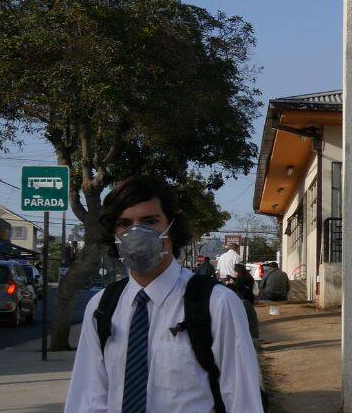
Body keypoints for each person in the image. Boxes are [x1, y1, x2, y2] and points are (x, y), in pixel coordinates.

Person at [64, 175, 263, 413]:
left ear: (172, 227)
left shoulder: (217, 303)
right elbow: (88, 397)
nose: (136, 232)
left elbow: (243, 401)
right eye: (124, 224)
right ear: (113, 233)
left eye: (150, 221)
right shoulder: (102, 306)